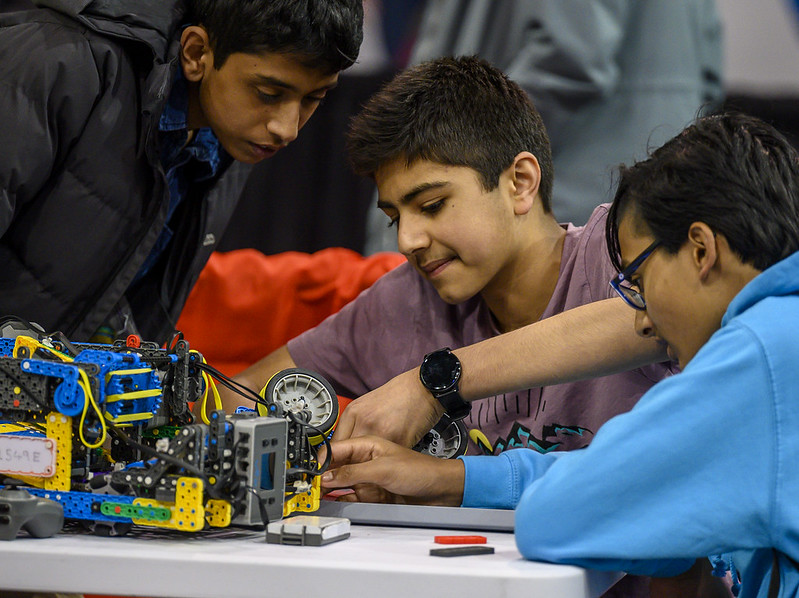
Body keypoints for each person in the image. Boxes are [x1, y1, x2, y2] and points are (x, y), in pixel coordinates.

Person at [320, 112, 799, 598]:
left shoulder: (760, 354)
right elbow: (651, 497)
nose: (641, 321)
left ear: (700, 250)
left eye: (639, 282)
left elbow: (555, 518)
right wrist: (454, 478)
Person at [0, 0, 364, 344]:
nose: (287, 129)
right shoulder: (52, 63)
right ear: (195, 53)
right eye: (269, 93)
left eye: (314, 98)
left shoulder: (233, 135)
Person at [365, 0, 723, 250]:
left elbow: (570, 59)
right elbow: (708, 70)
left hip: (562, 217)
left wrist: (445, 160)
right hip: (650, 207)